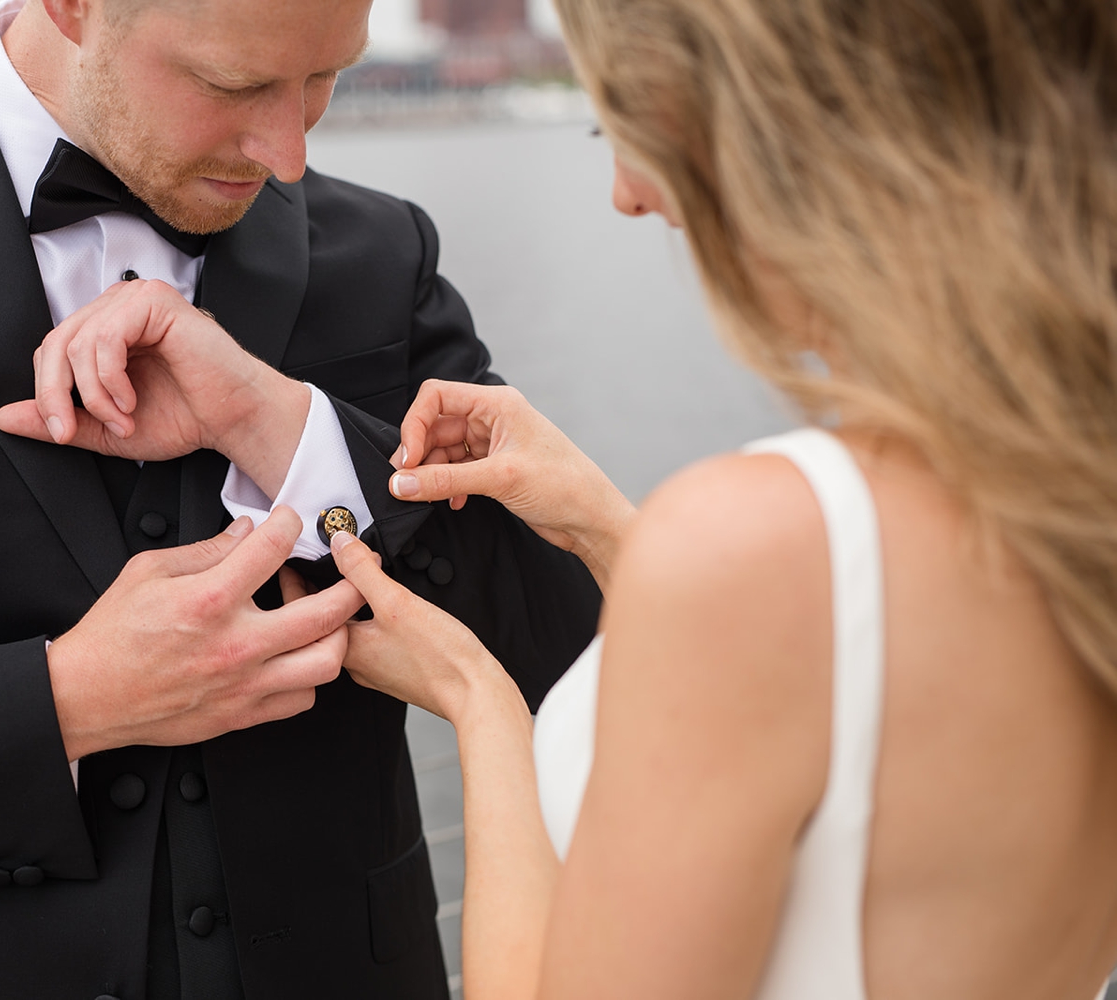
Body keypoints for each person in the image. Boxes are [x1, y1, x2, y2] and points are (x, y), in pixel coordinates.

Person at [0, 0, 602, 997]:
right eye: (236, 84)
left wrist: (289, 428)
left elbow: (587, 668)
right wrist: (63, 704)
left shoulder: (383, 255)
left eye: (323, 79)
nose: (289, 154)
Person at [326, 0, 1117, 997]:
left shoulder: (751, 551)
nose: (626, 195)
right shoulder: (1067, 478)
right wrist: (611, 527)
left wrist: (476, 704)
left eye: (630, 128)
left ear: (765, 121)